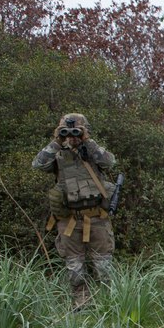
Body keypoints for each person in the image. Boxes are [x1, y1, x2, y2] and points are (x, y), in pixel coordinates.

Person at [32, 113, 117, 309]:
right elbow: (38, 164)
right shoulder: (58, 154)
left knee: (103, 264)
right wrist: (57, 141)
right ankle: (82, 302)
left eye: (76, 131)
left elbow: (109, 162)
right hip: (69, 219)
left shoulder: (93, 152)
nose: (72, 136)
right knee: (74, 265)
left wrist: (87, 140)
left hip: (97, 216)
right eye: (67, 131)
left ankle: (108, 301)